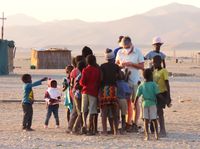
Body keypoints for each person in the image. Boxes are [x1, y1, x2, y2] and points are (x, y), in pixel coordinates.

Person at [116, 36, 144, 131]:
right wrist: (121, 65)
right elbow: (116, 65)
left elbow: (142, 66)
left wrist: (131, 64)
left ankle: (135, 124)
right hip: (124, 82)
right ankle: (128, 123)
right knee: (126, 103)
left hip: (135, 81)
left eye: (127, 47)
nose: (125, 48)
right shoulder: (120, 52)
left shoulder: (138, 52)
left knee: (135, 103)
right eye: (124, 47)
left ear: (131, 44)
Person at [134, 68, 160, 141]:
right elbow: (157, 94)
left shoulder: (142, 85)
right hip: (152, 103)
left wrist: (135, 104)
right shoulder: (154, 84)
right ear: (151, 76)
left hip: (144, 103)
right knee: (154, 119)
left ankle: (147, 136)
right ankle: (156, 135)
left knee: (145, 120)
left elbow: (137, 95)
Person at [100, 49, 120, 135]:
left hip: (105, 88)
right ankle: (116, 130)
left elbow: (101, 78)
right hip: (113, 88)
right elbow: (119, 77)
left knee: (104, 111)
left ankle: (104, 131)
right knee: (114, 110)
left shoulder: (102, 66)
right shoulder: (116, 67)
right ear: (113, 57)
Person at [80, 54, 101, 135]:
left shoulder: (85, 70)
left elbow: (82, 82)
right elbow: (99, 81)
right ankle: (90, 127)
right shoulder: (97, 70)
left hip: (85, 92)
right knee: (92, 111)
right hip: (93, 92)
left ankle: (84, 125)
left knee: (84, 110)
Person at [152, 55, 172, 137]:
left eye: (155, 62)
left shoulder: (164, 71)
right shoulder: (154, 72)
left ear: (159, 62)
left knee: (160, 112)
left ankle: (163, 130)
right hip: (155, 94)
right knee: (155, 112)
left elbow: (167, 83)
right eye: (153, 62)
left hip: (162, 94)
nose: (153, 64)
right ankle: (155, 129)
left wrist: (168, 96)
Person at [66, 55, 85, 133]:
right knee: (80, 112)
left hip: (73, 92)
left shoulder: (74, 70)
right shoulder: (79, 72)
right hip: (78, 94)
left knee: (74, 112)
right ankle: (76, 129)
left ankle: (69, 128)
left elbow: (71, 82)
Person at [71, 61, 86, 134]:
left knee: (80, 112)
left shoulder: (80, 75)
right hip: (78, 96)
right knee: (80, 113)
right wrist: (82, 86)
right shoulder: (81, 75)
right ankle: (75, 129)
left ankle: (79, 128)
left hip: (77, 96)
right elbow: (76, 86)